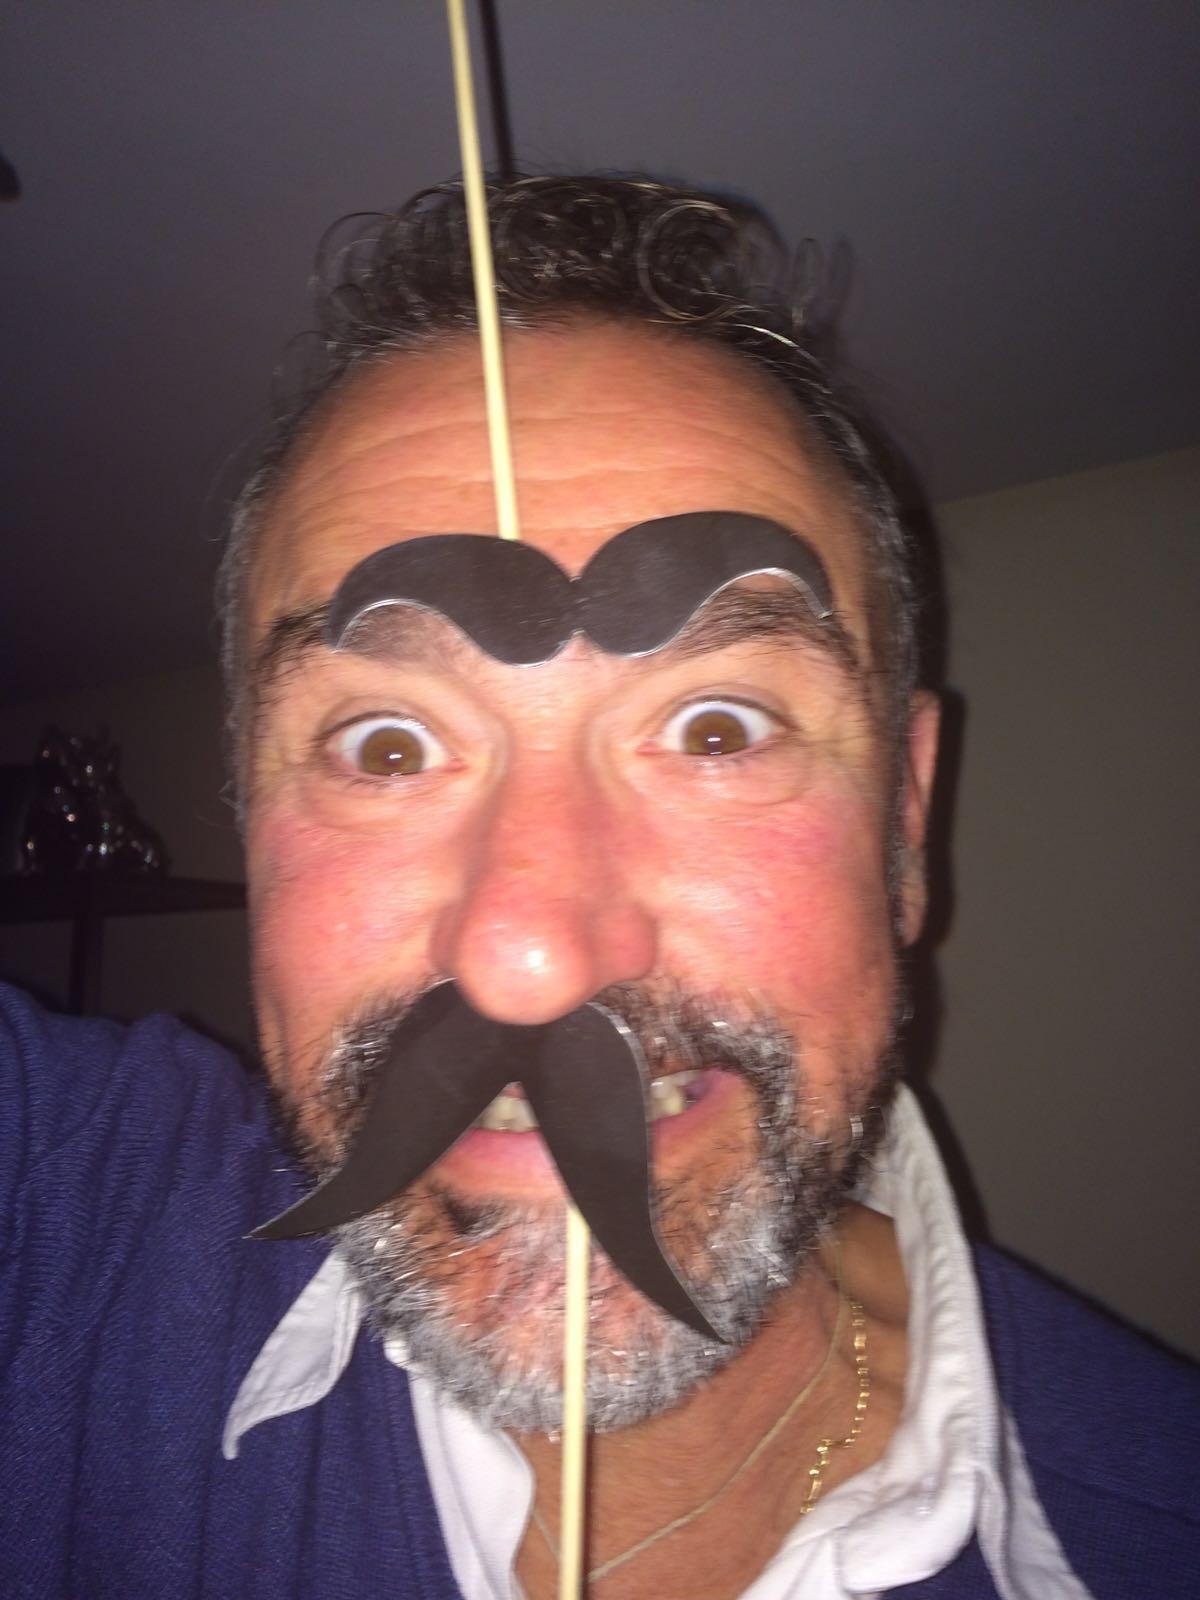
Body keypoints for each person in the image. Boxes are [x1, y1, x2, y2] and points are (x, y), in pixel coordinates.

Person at [2, 176, 1196, 1600]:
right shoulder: (62, 1220)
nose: (529, 957)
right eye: (388, 746)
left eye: (717, 730)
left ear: (905, 827)